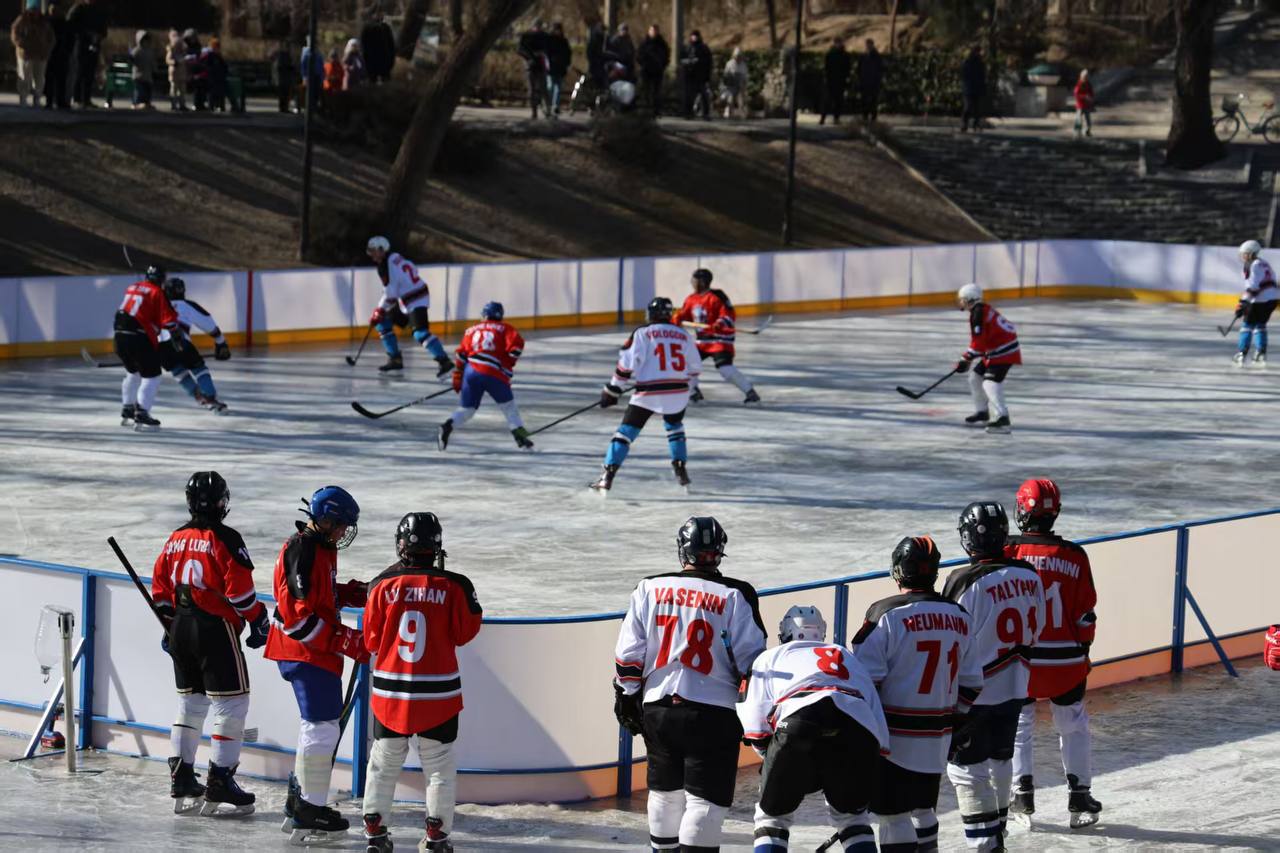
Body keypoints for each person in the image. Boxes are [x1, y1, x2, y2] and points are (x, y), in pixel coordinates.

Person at [613, 516, 767, 852]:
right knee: (704, 802)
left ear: (683, 550)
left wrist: (627, 695)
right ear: (719, 552)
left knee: (664, 794)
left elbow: (628, 655)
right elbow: (752, 662)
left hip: (659, 706)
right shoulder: (736, 594)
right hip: (714, 712)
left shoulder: (648, 587)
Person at [852, 536, 984, 853]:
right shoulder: (959, 615)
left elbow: (865, 683)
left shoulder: (884, 614)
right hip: (937, 736)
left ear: (898, 570)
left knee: (893, 816)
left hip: (893, 739)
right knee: (924, 809)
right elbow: (972, 682)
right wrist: (954, 721)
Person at [360, 513, 483, 853]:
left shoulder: (380, 584)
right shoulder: (456, 585)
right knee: (439, 765)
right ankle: (436, 836)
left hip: (390, 692)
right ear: (437, 545)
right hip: (439, 692)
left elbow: (371, 640)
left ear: (401, 545)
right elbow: (465, 633)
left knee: (383, 762)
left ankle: (375, 829)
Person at [152, 472, 269, 817]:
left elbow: (161, 590)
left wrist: (171, 625)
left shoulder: (175, 538)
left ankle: (182, 778)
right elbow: (240, 594)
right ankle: (221, 780)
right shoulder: (226, 538)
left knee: (190, 703)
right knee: (232, 705)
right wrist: (258, 619)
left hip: (181, 627)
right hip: (215, 628)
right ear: (222, 502)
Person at [265, 486, 369, 845]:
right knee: (322, 729)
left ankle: (301, 800)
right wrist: (346, 639)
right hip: (303, 652)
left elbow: (319, 594)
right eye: (340, 525)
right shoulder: (303, 549)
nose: (343, 533)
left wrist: (355, 592)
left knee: (318, 728)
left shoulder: (319, 548)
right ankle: (309, 808)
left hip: (309, 652)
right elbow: (298, 619)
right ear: (324, 520)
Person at [741, 605, 889, 853]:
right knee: (853, 818)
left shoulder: (770, 656)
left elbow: (754, 726)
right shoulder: (843, 653)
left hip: (798, 722)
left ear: (785, 632)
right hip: (855, 725)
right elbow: (874, 713)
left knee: (772, 819)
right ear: (821, 632)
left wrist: (773, 759)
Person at [943, 502, 1045, 852]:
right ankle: (999, 827)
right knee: (1002, 757)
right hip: (1016, 685)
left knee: (965, 768)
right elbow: (1038, 628)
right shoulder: (1030, 575)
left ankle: (985, 841)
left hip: (974, 692)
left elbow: (950, 635)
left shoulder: (963, 580)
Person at [1005, 478, 1103, 829]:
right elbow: (1085, 615)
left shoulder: (1008, 551)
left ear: (1021, 509)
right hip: (1066, 661)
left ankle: (1021, 795)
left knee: (1019, 723)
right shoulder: (1075, 555)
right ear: (1055, 512)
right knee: (1073, 723)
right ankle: (1080, 796)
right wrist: (1082, 651)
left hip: (1022, 660)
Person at [591, 297, 701, 493]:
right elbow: (695, 368)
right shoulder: (684, 335)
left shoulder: (643, 332)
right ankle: (681, 469)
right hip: (679, 393)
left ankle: (607, 476)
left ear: (652, 314)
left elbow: (627, 364)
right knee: (675, 426)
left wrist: (612, 389)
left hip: (649, 394)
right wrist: (689, 389)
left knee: (625, 433)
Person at [437, 302, 533, 451]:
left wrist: (458, 376)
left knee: (467, 409)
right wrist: (507, 365)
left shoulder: (471, 330)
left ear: (484, 315)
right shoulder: (506, 328)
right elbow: (516, 349)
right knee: (509, 407)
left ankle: (448, 425)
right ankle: (521, 436)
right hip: (493, 372)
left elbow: (461, 355)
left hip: (470, 372)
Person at [366, 235, 454, 377]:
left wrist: (379, 309)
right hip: (409, 298)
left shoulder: (384, 266)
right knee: (382, 323)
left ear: (382, 249)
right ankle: (395, 359)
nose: (371, 255)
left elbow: (391, 293)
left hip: (416, 299)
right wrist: (381, 310)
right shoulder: (395, 256)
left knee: (420, 333)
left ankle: (445, 362)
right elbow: (411, 271)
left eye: (374, 251)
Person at [675, 268, 761, 405]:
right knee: (685, 364)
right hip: (702, 342)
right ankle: (694, 392)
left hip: (720, 340)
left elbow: (728, 314)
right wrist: (676, 318)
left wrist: (720, 323)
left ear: (702, 282)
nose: (692, 283)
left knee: (725, 369)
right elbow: (684, 314)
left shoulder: (717, 296)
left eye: (694, 280)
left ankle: (750, 393)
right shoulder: (691, 299)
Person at [113, 264, 178, 431]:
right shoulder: (157, 292)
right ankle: (142, 412)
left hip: (119, 335)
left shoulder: (132, 287)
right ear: (162, 278)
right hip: (138, 337)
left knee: (133, 372)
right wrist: (175, 338)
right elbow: (170, 322)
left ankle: (128, 408)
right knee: (152, 376)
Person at [955, 282, 1019, 433]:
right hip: (997, 350)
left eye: (963, 299)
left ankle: (1002, 419)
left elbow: (979, 343)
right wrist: (968, 358)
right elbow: (981, 341)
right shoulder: (980, 310)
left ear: (970, 299)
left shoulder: (978, 313)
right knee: (975, 378)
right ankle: (982, 412)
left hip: (1004, 352)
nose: (961, 302)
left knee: (990, 383)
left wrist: (966, 358)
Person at [160, 277, 232, 413]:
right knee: (199, 369)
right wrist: (220, 342)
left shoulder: (157, 306)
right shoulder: (186, 305)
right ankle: (210, 398)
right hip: (180, 341)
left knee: (178, 371)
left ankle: (198, 396)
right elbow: (208, 324)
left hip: (159, 346)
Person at [1233, 239, 1276, 367]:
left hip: (1259, 301)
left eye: (1244, 253)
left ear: (1251, 253)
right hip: (1272, 299)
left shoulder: (1252, 265)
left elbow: (1253, 287)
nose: (1242, 256)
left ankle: (1242, 353)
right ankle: (1260, 353)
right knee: (1260, 325)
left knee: (1247, 326)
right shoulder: (1264, 263)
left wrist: (1242, 303)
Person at [11, 2, 54, 109]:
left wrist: (47, 48)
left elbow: (51, 37)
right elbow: (15, 34)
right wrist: (22, 44)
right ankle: (23, 98)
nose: (35, 12)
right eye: (33, 9)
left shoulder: (44, 22)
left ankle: (37, 98)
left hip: (41, 54)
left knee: (39, 78)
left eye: (36, 10)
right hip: (26, 54)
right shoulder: (22, 20)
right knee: (24, 76)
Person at [67, 0, 107, 108]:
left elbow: (104, 27)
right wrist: (85, 33)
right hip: (81, 43)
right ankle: (77, 98)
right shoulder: (79, 8)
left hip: (94, 43)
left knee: (90, 72)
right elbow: (70, 24)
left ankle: (86, 99)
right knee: (80, 71)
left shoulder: (99, 9)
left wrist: (99, 36)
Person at [517, 20, 549, 119]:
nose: (538, 28)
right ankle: (535, 111)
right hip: (531, 65)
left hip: (540, 65)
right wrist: (530, 57)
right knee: (533, 89)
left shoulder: (544, 36)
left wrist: (543, 54)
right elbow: (520, 49)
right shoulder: (527, 36)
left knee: (542, 88)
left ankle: (546, 109)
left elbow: (549, 49)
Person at [44, 1, 73, 109]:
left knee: (59, 79)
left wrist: (68, 50)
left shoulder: (64, 24)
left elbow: (70, 39)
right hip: (52, 53)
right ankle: (52, 100)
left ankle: (56, 100)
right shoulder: (48, 23)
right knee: (53, 79)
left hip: (60, 53)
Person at [637, 24, 670, 116]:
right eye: (652, 31)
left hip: (658, 70)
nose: (654, 33)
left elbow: (666, 55)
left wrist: (663, 65)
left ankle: (656, 110)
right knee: (646, 90)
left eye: (655, 31)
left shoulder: (662, 43)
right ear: (649, 31)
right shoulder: (644, 43)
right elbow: (639, 55)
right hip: (646, 70)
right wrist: (643, 64)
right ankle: (646, 108)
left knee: (657, 91)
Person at [680, 29, 713, 120]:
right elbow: (681, 59)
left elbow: (708, 62)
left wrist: (707, 75)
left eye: (696, 36)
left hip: (700, 76)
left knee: (704, 95)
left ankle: (705, 114)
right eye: (693, 36)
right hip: (689, 75)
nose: (694, 38)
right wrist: (689, 62)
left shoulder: (703, 48)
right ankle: (688, 113)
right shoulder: (687, 48)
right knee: (689, 96)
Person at [819, 37, 850, 126]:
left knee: (838, 101)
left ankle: (836, 118)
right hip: (831, 80)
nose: (838, 44)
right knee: (827, 100)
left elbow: (847, 68)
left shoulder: (845, 55)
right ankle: (823, 117)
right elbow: (826, 67)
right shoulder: (830, 54)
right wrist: (826, 77)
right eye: (837, 42)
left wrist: (846, 78)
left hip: (840, 81)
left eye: (839, 42)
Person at [360, 10, 396, 84]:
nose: (379, 15)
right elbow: (364, 44)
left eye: (380, 13)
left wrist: (391, 58)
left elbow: (391, 44)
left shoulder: (385, 28)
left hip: (382, 59)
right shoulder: (368, 28)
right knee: (374, 80)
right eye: (377, 14)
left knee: (383, 80)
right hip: (374, 59)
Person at [544, 22, 571, 117]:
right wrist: (547, 63)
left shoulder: (564, 41)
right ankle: (548, 104)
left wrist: (567, 64)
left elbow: (568, 53)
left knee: (558, 87)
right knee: (550, 86)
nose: (558, 32)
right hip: (551, 67)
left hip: (560, 67)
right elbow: (546, 53)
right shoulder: (549, 40)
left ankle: (555, 105)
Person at [856, 38, 883, 123]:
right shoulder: (863, 55)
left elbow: (880, 68)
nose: (868, 46)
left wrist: (877, 79)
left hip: (874, 81)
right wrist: (860, 78)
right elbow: (859, 68)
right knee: (864, 99)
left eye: (870, 44)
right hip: (864, 81)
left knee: (873, 99)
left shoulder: (876, 56)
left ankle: (873, 115)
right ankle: (865, 115)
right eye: (867, 44)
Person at [960, 46, 985, 132]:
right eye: (978, 51)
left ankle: (975, 124)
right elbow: (963, 75)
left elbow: (982, 76)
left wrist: (983, 87)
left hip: (977, 88)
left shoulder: (980, 63)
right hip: (969, 88)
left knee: (977, 108)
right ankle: (964, 124)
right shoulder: (967, 62)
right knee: (968, 107)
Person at [130, 30, 156, 110]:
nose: (146, 42)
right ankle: (136, 103)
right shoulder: (137, 50)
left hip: (148, 75)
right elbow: (132, 59)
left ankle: (146, 102)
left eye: (147, 40)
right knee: (139, 91)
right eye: (144, 40)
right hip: (139, 75)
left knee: (148, 90)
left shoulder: (150, 51)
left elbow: (152, 61)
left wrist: (154, 68)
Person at [271, 38, 297, 112]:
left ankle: (284, 108)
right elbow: (281, 66)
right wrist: (291, 67)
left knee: (284, 94)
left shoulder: (282, 55)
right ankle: (283, 108)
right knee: (284, 94)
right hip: (283, 79)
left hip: (283, 78)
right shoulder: (282, 55)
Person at [721, 47, 748, 119]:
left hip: (740, 84)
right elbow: (725, 75)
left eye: (739, 56)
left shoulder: (743, 65)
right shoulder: (729, 63)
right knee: (730, 99)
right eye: (737, 56)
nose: (738, 58)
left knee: (741, 100)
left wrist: (744, 85)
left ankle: (742, 114)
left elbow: (745, 76)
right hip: (731, 85)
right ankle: (728, 112)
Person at [165, 29, 189, 111]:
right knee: (173, 90)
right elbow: (168, 60)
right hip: (174, 74)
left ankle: (182, 104)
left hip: (182, 74)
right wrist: (174, 62)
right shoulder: (171, 51)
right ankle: (173, 104)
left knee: (182, 90)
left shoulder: (183, 52)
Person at [183, 29, 206, 110]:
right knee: (194, 85)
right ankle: (195, 103)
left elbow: (200, 56)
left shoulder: (198, 46)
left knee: (201, 84)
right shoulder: (184, 46)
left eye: (193, 37)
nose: (192, 39)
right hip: (186, 70)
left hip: (196, 69)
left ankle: (200, 104)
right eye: (191, 38)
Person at [1073, 69, 1094, 138]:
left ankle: (1087, 131)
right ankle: (1077, 132)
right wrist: (1084, 97)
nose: (1086, 78)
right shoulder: (1079, 84)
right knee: (1078, 120)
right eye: (1085, 76)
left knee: (1088, 120)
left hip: (1087, 105)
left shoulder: (1088, 84)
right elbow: (1076, 94)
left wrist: (1090, 98)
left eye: (1087, 76)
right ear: (1081, 76)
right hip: (1080, 105)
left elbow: (1091, 93)